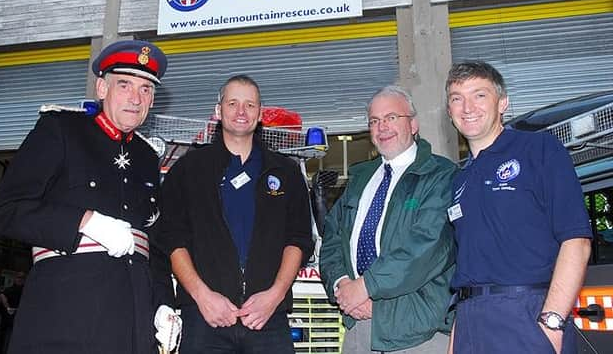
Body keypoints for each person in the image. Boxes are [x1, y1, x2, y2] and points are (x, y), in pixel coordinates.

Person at [0, 39, 179, 354]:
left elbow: (153, 244)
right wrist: (84, 222)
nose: (135, 98)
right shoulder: (61, 129)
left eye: (146, 89)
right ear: (102, 89)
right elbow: (5, 211)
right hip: (66, 319)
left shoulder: (146, 156)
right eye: (125, 85)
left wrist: (163, 305)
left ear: (153, 99)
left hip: (133, 324)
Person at [156, 74, 313, 353]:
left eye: (250, 105)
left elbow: (298, 239)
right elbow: (172, 239)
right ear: (218, 111)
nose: (241, 112)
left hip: (268, 318)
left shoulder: (285, 172)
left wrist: (274, 296)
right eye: (232, 103)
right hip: (206, 319)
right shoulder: (188, 171)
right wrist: (202, 296)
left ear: (260, 114)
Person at [445, 61, 592, 354]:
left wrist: (552, 322)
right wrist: (456, 338)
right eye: (456, 98)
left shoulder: (539, 149)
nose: (467, 107)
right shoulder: (459, 179)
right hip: (471, 320)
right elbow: (467, 268)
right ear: (449, 112)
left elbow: (576, 240)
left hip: (526, 315)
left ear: (503, 103)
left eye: (479, 95)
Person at [320, 85, 458, 353]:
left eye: (392, 117)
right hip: (358, 325)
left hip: (417, 331)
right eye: (375, 121)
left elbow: (427, 247)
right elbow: (332, 239)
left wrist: (366, 287)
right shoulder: (359, 178)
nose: (382, 127)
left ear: (414, 124)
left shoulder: (441, 175)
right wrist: (342, 286)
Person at [0, 272, 26, 354]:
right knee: (3, 344)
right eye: (18, 277)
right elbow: (2, 296)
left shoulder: (25, 291)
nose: (20, 279)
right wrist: (7, 306)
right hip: (7, 323)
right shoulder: (9, 290)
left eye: (22, 278)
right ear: (15, 278)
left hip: (18, 324)